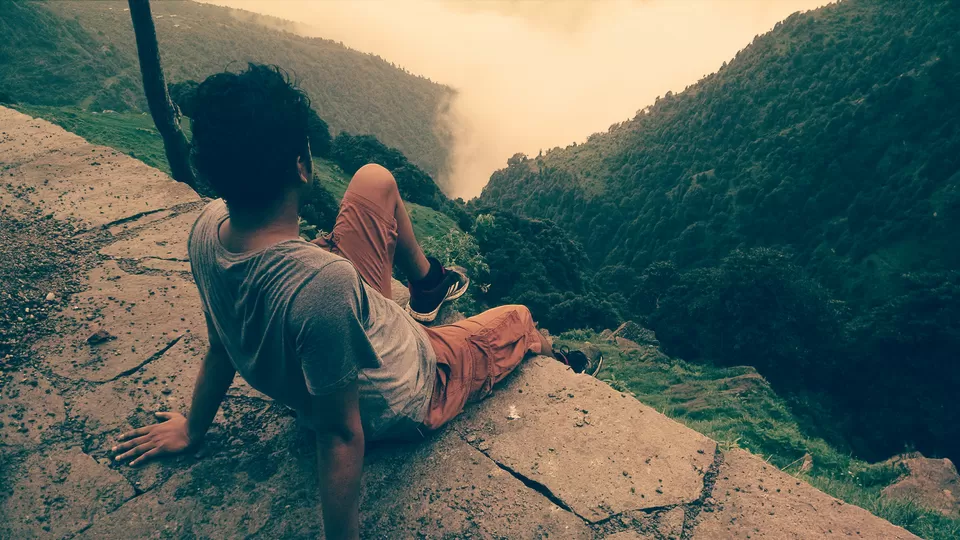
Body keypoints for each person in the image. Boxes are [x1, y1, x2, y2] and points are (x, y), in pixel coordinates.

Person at [109, 64, 556, 539]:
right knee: (520, 318)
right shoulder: (322, 286)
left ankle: (427, 283)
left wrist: (192, 428)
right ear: (302, 166)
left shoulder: (205, 230)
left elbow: (221, 345)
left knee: (374, 179)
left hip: (350, 326)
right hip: (411, 386)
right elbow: (339, 434)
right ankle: (556, 358)